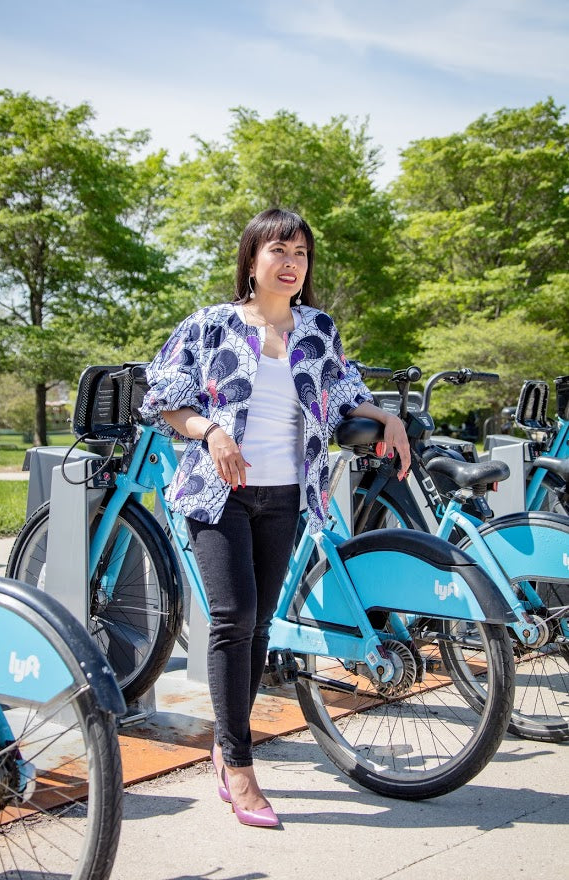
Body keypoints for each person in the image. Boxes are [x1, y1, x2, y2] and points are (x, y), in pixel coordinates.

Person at [141, 208, 411, 828]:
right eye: (279, 250)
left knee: (261, 623)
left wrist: (387, 416)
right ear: (252, 259)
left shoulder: (318, 328)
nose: (292, 263)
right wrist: (209, 431)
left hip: (286, 491)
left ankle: (224, 744)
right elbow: (163, 394)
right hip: (218, 492)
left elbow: (343, 390)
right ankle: (238, 763)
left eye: (302, 254)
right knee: (233, 619)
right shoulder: (210, 326)